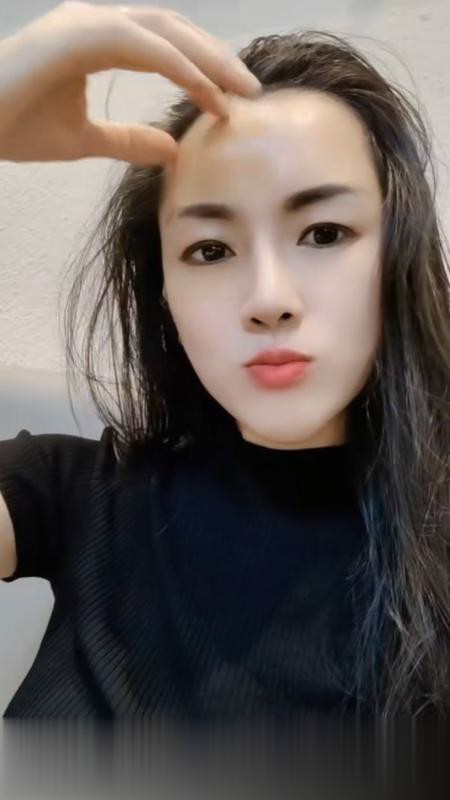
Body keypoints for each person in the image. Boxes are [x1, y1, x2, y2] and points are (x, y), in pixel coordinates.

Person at [0, 2, 448, 719]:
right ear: (165, 290)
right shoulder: (78, 494)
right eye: (210, 250)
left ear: (398, 258)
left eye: (324, 233)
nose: (268, 299)